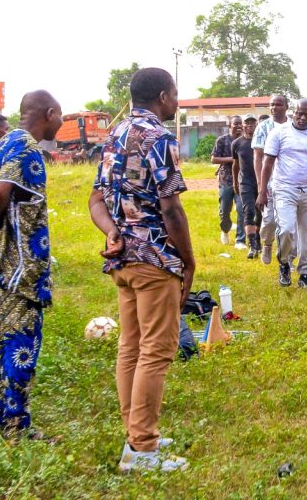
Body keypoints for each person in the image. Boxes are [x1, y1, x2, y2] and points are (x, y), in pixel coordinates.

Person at [88, 67, 192, 472]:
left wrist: (113, 231)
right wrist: (188, 260)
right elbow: (170, 207)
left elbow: (96, 199)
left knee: (130, 347)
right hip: (153, 259)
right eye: (176, 95)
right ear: (164, 96)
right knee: (156, 350)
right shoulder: (160, 137)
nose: (177, 102)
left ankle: (136, 432)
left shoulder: (113, 135)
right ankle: (143, 449)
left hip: (122, 259)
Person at [0, 90, 62, 437]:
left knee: (0, 339)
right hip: (17, 268)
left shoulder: (6, 142)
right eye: (60, 116)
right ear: (49, 113)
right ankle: (16, 424)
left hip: (1, 263)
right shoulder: (26, 146)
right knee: (21, 343)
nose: (62, 123)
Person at [257, 99, 307, 290]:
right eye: (299, 113)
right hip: (284, 188)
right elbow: (267, 163)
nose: (302, 117)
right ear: (293, 112)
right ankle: (284, 263)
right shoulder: (279, 132)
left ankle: (304, 273)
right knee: (286, 229)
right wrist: (262, 191)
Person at [252, 95, 289, 264]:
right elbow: (258, 157)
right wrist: (261, 185)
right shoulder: (263, 127)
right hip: (269, 182)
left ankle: (288, 257)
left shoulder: (294, 126)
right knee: (269, 220)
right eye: (272, 105)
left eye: (278, 104)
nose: (274, 107)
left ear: (286, 106)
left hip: (290, 182)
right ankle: (267, 243)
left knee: (290, 223)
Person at [212, 116, 245, 248]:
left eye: (240, 124)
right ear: (229, 125)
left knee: (242, 209)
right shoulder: (222, 140)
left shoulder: (245, 141)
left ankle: (240, 240)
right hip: (226, 180)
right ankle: (225, 230)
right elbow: (214, 159)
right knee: (225, 210)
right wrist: (233, 159)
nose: (238, 126)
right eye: (235, 124)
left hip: (242, 180)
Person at [232, 115, 261, 259]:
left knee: (261, 214)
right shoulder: (237, 143)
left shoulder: (263, 141)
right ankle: (252, 246)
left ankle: (259, 241)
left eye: (252, 123)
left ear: (257, 125)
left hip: (261, 182)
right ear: (242, 125)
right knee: (248, 211)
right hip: (245, 182)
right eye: (247, 123)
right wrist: (235, 183)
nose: (250, 125)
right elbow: (235, 165)